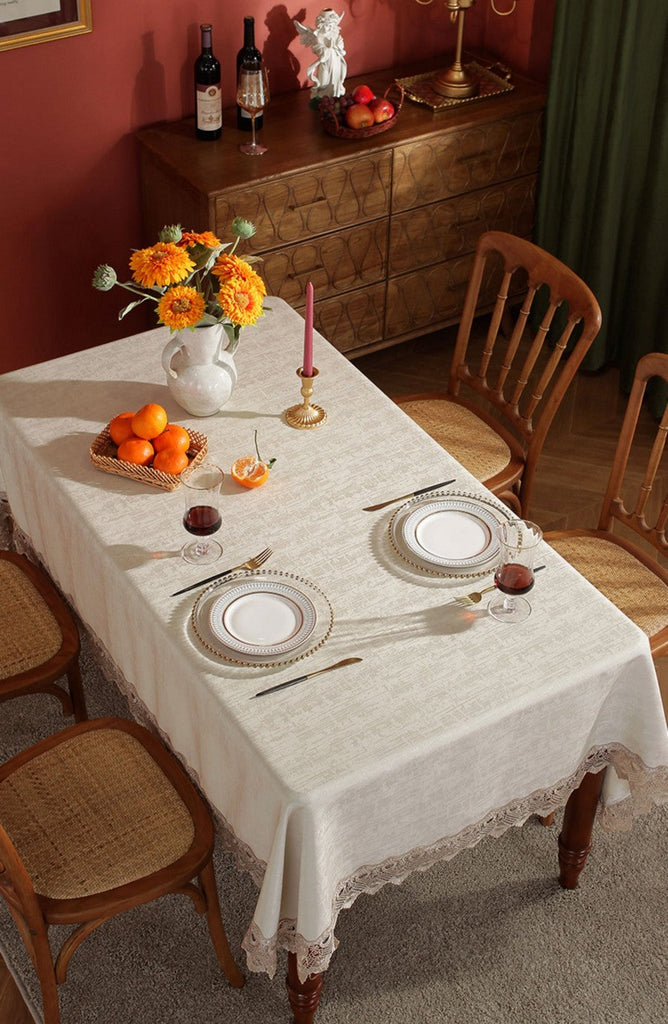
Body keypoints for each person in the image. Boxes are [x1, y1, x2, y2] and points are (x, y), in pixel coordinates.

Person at [293, 9, 347, 99]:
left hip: (335, 61)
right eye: (326, 25)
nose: (328, 28)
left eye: (331, 26)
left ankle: (334, 96)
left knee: (335, 79)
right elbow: (317, 48)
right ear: (320, 25)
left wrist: (336, 46)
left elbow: (341, 45)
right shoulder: (318, 36)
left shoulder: (335, 34)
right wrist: (327, 49)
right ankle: (322, 95)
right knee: (323, 82)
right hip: (325, 62)